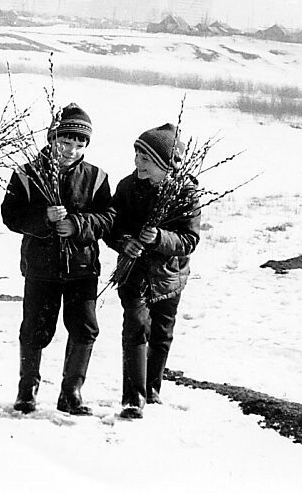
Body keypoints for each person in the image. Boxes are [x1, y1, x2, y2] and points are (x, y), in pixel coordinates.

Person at [1, 104, 114, 415]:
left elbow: (107, 218)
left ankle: (71, 391)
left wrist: (77, 225)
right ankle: (27, 389)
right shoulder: (26, 174)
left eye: (79, 145)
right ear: (52, 138)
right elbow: (10, 216)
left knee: (84, 328)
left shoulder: (96, 177)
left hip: (82, 269)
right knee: (35, 327)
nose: (71, 151)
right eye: (65, 143)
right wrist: (44, 219)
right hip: (40, 268)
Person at [105, 123, 201, 419]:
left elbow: (189, 240)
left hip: (169, 277)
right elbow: (112, 225)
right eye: (136, 155)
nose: (137, 163)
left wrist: (159, 238)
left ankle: (152, 388)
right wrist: (124, 243)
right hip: (133, 272)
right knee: (135, 327)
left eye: (145, 159)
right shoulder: (126, 187)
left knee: (161, 333)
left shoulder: (186, 193)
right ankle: (133, 398)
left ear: (165, 164)